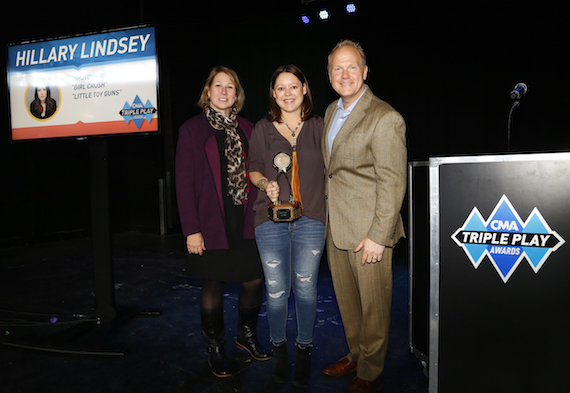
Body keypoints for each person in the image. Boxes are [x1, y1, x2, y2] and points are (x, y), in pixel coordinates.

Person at [320, 40, 407, 393]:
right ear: (329, 75)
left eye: (352, 66)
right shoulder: (330, 112)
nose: (345, 74)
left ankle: (370, 373)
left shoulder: (385, 117)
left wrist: (378, 235)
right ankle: (356, 354)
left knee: (373, 308)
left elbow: (393, 182)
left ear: (365, 71)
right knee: (348, 302)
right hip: (337, 226)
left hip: (370, 232)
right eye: (337, 68)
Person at [175, 66, 271, 378]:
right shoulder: (191, 129)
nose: (224, 91)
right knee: (213, 283)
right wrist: (192, 229)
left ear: (237, 94)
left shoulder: (248, 128)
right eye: (218, 85)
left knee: (254, 279)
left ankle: (246, 336)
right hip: (209, 223)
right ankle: (215, 346)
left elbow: (258, 171)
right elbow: (183, 183)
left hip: (245, 220)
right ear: (208, 91)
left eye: (230, 86)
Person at [249, 64, 326, 388]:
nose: (287, 93)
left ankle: (304, 351)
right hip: (270, 221)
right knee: (277, 292)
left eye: (293, 86)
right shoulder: (262, 128)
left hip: (311, 220)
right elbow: (253, 168)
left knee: (307, 290)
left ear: (304, 89)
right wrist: (266, 182)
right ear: (273, 94)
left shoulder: (321, 126)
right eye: (280, 88)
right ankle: (279, 352)